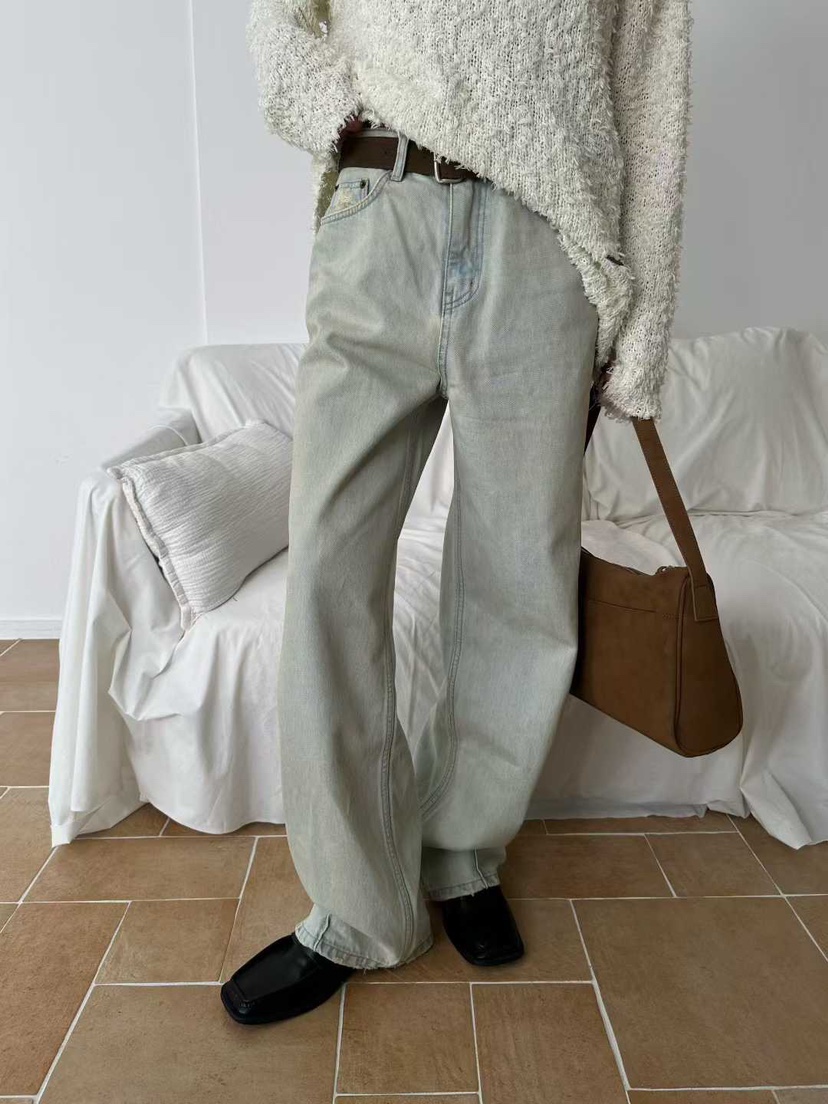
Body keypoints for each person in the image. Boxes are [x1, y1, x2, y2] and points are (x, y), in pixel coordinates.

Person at [221, 0, 692, 1025]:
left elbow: (651, 90)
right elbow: (279, 14)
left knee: (519, 581)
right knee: (330, 572)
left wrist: (642, 318)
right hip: (380, 212)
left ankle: (462, 853)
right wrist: (333, 111)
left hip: (547, 247)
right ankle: (356, 909)